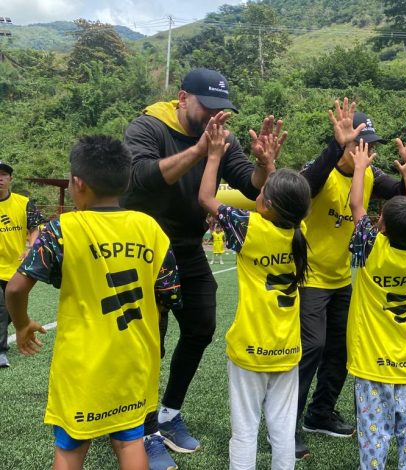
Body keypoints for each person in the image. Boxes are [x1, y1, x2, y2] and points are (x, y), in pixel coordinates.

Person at [122, 67, 286, 469]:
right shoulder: (147, 127)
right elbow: (141, 178)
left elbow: (251, 185)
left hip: (188, 246)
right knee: (150, 342)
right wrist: (200, 151)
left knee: (201, 325)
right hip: (145, 248)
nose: (215, 116)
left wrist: (266, 164)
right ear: (182, 98)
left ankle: (168, 412)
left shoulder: (220, 138)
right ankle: (141, 430)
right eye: (207, 106)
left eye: (221, 109)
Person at [5, 135, 181, 470]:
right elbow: (169, 295)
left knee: (70, 451)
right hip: (134, 361)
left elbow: (14, 289)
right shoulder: (150, 228)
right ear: (127, 181)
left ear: (77, 183)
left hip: (83, 367)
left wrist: (23, 324)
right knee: (130, 444)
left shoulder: (62, 229)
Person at [295, 98, 406, 459]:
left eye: (370, 143)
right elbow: (303, 186)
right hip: (311, 276)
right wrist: (335, 147)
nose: (368, 150)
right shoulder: (322, 171)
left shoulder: (367, 173)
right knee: (312, 348)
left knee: (340, 349)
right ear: (345, 142)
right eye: (361, 142)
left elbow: (403, 203)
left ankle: (319, 413)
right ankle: (288, 425)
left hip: (342, 278)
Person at [197, 119, 311, 470]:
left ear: (267, 204)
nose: (256, 194)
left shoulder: (249, 227)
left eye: (262, 194)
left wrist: (214, 156)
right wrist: (270, 165)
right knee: (281, 431)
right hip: (288, 349)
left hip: (249, 349)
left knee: (245, 432)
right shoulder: (300, 231)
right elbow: (281, 200)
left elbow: (204, 198)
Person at [346, 139, 406, 469]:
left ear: (381, 226)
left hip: (371, 364)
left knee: (374, 436)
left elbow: (355, 206)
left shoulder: (372, 251)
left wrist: (360, 169)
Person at [0, 161, 45, 368]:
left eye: (4, 175)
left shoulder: (23, 202)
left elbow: (36, 228)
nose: (0, 178)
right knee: (1, 310)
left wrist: (30, 249)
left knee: (10, 312)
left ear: (10, 179)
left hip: (15, 269)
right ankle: (1, 352)